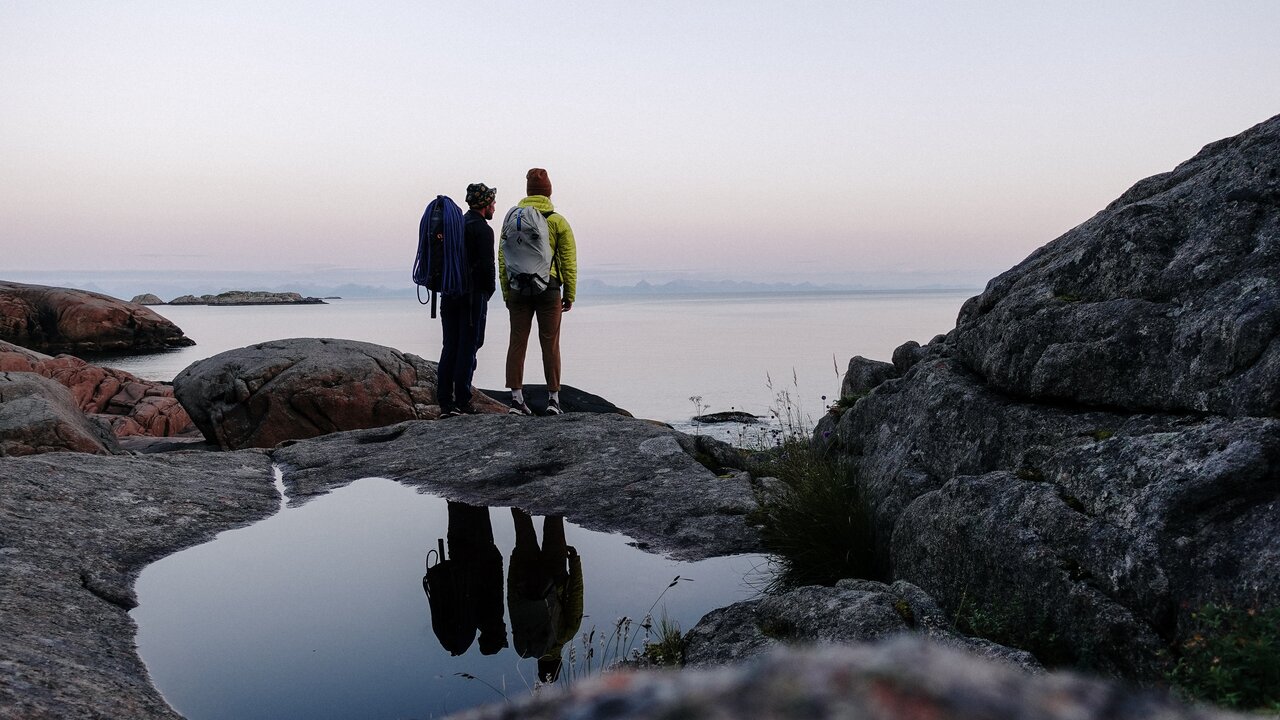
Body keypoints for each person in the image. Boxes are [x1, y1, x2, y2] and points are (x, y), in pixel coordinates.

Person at [500, 168, 577, 416]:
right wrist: (570, 293)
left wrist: (506, 292)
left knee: (517, 342)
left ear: (528, 191)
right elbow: (568, 260)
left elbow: (502, 259)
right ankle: (553, 399)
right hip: (549, 289)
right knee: (550, 344)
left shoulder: (513, 219)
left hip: (517, 288)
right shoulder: (557, 221)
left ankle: (515, 400)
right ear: (549, 191)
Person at [437, 183, 497, 417]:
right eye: (492, 202)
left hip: (449, 294)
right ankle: (462, 401)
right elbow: (486, 265)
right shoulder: (482, 229)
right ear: (484, 204)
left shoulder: (456, 225)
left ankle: (445, 403)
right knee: (468, 346)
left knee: (450, 346)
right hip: (473, 297)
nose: (494, 206)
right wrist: (488, 292)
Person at [506, 509, 583, 683]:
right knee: (522, 522)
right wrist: (513, 564)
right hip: (524, 576)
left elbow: (576, 595)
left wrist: (575, 562)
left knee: (554, 517)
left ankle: (553, 483)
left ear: (559, 662)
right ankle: (514, 486)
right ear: (540, 664)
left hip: (555, 575)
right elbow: (513, 603)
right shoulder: (523, 645)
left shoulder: (565, 634)